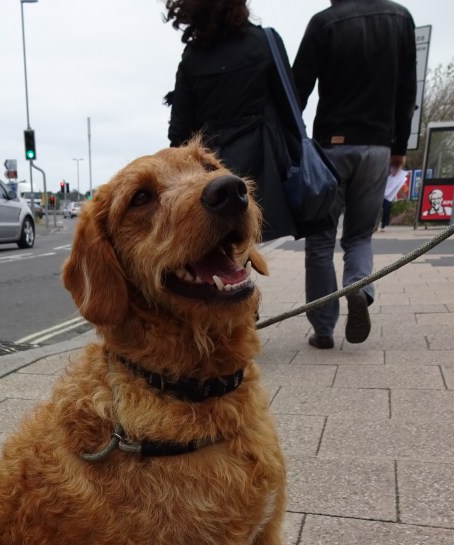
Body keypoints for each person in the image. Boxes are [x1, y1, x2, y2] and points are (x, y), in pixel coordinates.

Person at [292, 0, 417, 349]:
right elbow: (407, 89)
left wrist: (291, 144)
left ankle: (323, 329)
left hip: (330, 146)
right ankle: (360, 287)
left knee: (320, 239)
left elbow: (296, 89)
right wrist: (398, 147)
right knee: (360, 236)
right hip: (377, 146)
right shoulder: (399, 17)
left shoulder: (324, 23)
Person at [165, 0, 300, 242]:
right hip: (264, 161)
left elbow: (179, 133)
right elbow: (290, 107)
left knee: (221, 245)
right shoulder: (265, 42)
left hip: (211, 168)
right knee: (256, 237)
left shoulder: (193, 57)